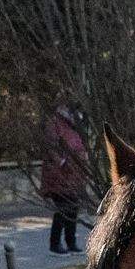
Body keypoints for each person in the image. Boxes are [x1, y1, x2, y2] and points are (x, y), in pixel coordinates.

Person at [41, 104, 87, 255]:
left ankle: (70, 241)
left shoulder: (73, 126)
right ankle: (55, 243)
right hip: (60, 175)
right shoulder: (56, 125)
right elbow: (51, 148)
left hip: (73, 176)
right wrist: (62, 162)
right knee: (62, 208)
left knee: (72, 208)